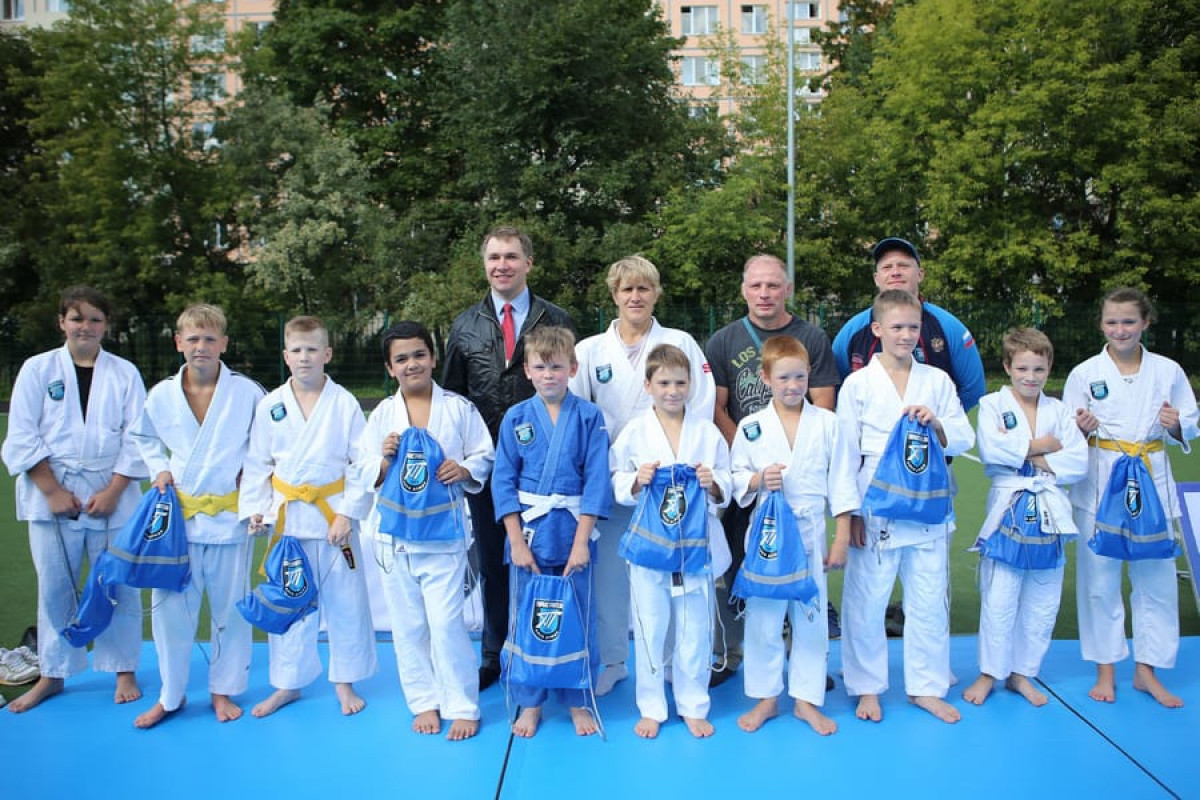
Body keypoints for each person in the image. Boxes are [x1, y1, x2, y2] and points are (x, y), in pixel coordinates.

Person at [570, 255, 715, 696]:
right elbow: (577, 414)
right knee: (611, 579)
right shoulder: (590, 351)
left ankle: (670, 663)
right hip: (616, 477)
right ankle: (614, 660)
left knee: (672, 577)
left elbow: (701, 403)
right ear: (614, 295)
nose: (635, 296)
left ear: (656, 294)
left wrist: (682, 461)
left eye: (644, 288)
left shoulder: (680, 341)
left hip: (671, 484)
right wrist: (608, 468)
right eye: (627, 289)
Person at [2, 286, 147, 712]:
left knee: (117, 582)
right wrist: (52, 491)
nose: (86, 326)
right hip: (52, 488)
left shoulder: (124, 373)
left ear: (106, 326)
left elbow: (138, 437)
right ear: (62, 322)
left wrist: (113, 491)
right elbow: (22, 434)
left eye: (95, 319)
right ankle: (53, 672)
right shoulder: (37, 369)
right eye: (77, 318)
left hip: (111, 488)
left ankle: (123, 668)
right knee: (55, 586)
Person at [443, 225, 575, 691]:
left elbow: (570, 389)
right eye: (494, 257)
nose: (502, 265)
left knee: (549, 560)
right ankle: (493, 652)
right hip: (487, 469)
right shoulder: (464, 326)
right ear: (485, 264)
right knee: (493, 562)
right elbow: (453, 399)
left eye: (511, 257)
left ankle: (550, 648)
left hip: (546, 468)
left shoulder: (555, 318)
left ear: (528, 264)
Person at [836, 290, 974, 724]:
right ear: (877, 329)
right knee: (866, 599)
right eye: (896, 326)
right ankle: (867, 686)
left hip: (927, 502)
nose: (906, 335)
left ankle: (926, 687)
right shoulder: (858, 384)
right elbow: (844, 454)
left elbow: (964, 436)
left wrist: (938, 423)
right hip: (875, 501)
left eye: (913, 327)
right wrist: (849, 513)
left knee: (929, 600)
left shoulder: (937, 381)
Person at [354, 321, 494, 740]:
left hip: (443, 536)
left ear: (433, 359)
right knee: (408, 625)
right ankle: (424, 701)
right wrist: (383, 461)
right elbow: (361, 468)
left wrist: (463, 469)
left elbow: (484, 454)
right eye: (401, 359)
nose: (411, 364)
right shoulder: (382, 415)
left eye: (419, 355)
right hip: (395, 538)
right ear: (389, 368)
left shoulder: (459, 409)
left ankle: (462, 704)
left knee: (447, 623)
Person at [704, 254, 839, 685]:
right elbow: (718, 407)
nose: (764, 293)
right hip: (751, 474)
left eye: (773, 285)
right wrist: (752, 452)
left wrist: (795, 455)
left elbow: (823, 403)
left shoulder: (811, 337)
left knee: (804, 582)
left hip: (799, 483)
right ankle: (735, 657)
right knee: (743, 572)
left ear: (787, 289)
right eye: (756, 285)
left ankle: (805, 670)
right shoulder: (723, 341)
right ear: (744, 289)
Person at [130, 304, 264, 728]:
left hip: (230, 517)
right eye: (192, 339)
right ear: (178, 343)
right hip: (179, 522)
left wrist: (252, 476)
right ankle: (171, 695)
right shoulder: (161, 395)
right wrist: (158, 468)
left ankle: (223, 690)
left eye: (209, 339)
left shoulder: (248, 393)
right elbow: (144, 437)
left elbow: (265, 444)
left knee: (231, 611)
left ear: (223, 343)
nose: (201, 346)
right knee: (170, 612)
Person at [1064, 288, 1198, 708]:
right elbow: (1067, 430)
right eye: (1111, 322)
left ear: (1145, 323)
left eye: (1128, 321)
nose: (1120, 329)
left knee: (1156, 580)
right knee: (1099, 581)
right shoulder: (1084, 373)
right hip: (1101, 482)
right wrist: (1081, 428)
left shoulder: (1168, 371)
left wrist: (1176, 425)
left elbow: (1190, 420)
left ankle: (1147, 669)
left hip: (1151, 481)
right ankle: (1105, 667)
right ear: (1101, 324)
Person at [239, 316, 377, 718]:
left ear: (327, 354)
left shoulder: (344, 403)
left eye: (312, 349)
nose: (304, 357)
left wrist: (348, 514)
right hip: (288, 522)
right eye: (297, 350)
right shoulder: (270, 405)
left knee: (346, 602)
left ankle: (345, 681)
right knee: (290, 600)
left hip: (333, 517)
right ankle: (288, 683)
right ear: (285, 356)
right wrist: (257, 511)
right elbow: (257, 463)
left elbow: (362, 463)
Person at [729, 335, 858, 735]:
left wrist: (841, 536)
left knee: (811, 617)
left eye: (800, 377)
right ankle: (766, 698)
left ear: (809, 376)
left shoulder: (828, 423)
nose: (792, 385)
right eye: (783, 377)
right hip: (767, 533)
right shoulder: (751, 427)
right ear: (765, 377)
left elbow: (842, 480)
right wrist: (757, 479)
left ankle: (805, 699)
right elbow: (735, 477)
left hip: (809, 529)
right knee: (764, 616)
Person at [492, 326, 610, 737]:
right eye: (540, 367)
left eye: (556, 367)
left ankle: (578, 699)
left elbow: (597, 481)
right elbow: (503, 480)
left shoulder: (590, 417)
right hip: (530, 533)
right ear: (527, 370)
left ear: (572, 368)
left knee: (579, 617)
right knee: (527, 619)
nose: (548, 375)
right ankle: (530, 702)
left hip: (573, 531)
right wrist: (515, 541)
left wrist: (582, 543)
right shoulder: (516, 418)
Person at [610, 343, 732, 739]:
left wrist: (714, 484)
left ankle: (693, 704)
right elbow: (616, 478)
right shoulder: (635, 432)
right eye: (664, 383)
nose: (673, 391)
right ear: (648, 385)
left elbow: (727, 478)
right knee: (650, 626)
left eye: (680, 383)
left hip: (695, 546)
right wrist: (636, 479)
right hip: (650, 546)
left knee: (695, 628)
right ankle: (651, 707)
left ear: (691, 385)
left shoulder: (707, 432)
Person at [964, 328, 1087, 707]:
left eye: (1038, 369)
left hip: (1050, 507)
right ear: (1007, 367)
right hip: (1008, 505)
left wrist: (1026, 452)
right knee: (1000, 595)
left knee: (1043, 599)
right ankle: (990, 672)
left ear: (1049, 369)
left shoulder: (1059, 410)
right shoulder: (991, 405)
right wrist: (1046, 446)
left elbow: (1077, 461)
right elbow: (992, 451)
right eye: (1022, 368)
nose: (1030, 377)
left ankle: (1023, 673)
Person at [832, 237, 986, 414]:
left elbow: (973, 390)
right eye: (887, 267)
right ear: (876, 278)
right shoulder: (852, 331)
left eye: (903, 266)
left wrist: (940, 423)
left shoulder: (949, 327)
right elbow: (836, 387)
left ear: (920, 274)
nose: (895, 272)